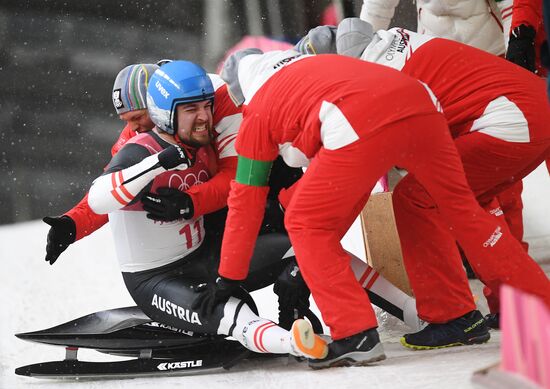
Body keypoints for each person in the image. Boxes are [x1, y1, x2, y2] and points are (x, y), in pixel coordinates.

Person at [195, 47, 537, 369]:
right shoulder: (312, 68)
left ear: (243, 92)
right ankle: (505, 310)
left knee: (305, 223)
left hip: (358, 120)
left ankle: (355, 333)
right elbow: (345, 187)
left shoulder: (259, 108)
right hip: (420, 102)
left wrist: (230, 275)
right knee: (462, 210)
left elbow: (245, 200)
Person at [302, 17, 550, 345]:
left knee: (415, 199)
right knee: (466, 203)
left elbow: (361, 173)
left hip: (507, 121)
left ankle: (455, 315)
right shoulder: (395, 44)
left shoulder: (373, 82)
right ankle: (517, 304)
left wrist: (312, 226)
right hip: (530, 109)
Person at [86, 60, 329, 360]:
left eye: (205, 107)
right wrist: (71, 223)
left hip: (205, 251)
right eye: (191, 110)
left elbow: (238, 181)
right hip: (158, 277)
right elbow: (101, 197)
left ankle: (299, 310)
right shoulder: (136, 145)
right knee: (231, 311)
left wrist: (190, 202)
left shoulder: (203, 127)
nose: (203, 117)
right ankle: (293, 340)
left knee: (307, 245)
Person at [43, 63, 159, 265]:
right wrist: (73, 223)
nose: (133, 128)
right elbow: (109, 193)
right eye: (125, 120)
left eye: (138, 117)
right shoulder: (131, 137)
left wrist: (191, 203)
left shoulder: (199, 118)